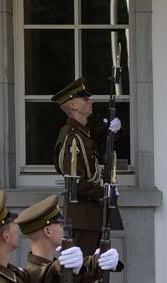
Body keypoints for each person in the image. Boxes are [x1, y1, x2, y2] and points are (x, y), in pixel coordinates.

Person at [52, 76, 123, 256]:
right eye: (85, 98)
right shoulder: (71, 137)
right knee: (80, 279)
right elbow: (76, 182)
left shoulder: (82, 133)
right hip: (82, 219)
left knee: (89, 276)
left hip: (90, 218)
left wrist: (113, 131)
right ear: (73, 105)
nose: (90, 100)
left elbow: (96, 142)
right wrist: (103, 192)